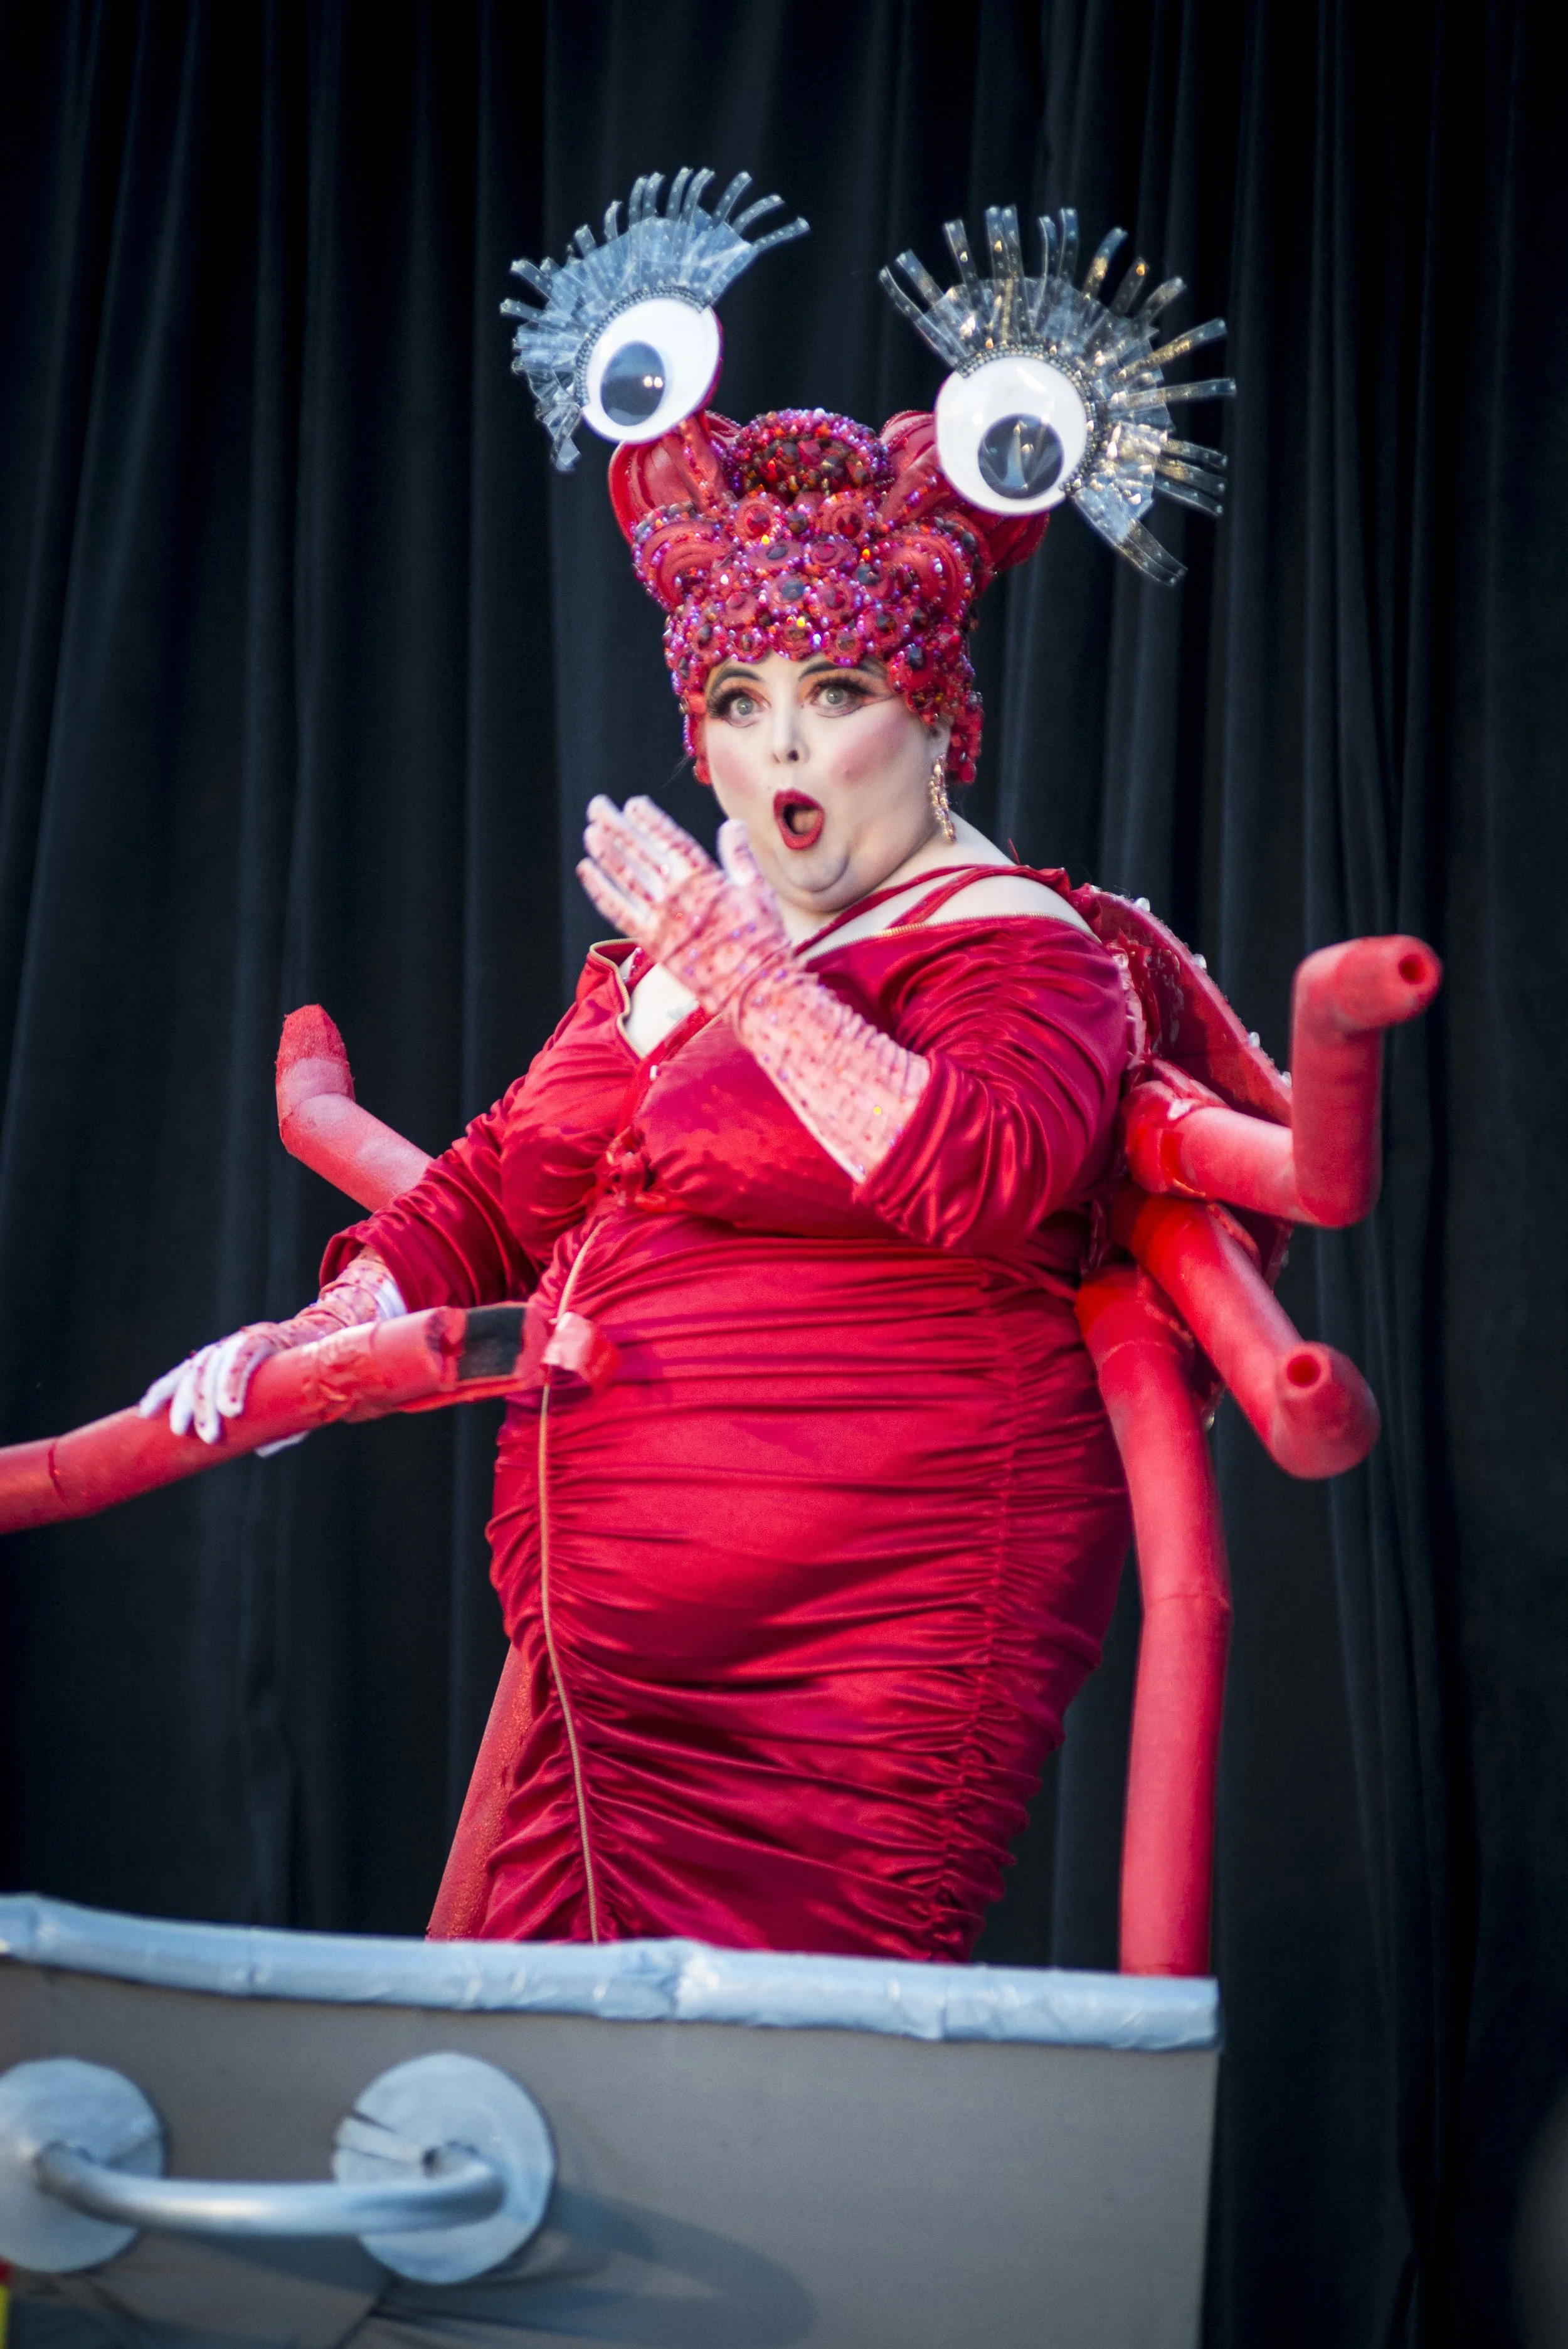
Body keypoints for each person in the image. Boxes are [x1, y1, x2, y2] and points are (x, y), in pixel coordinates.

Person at [140, 406, 1135, 1962]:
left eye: (838, 692)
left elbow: (985, 1172)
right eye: (741, 702)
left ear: (935, 717)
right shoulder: (666, 966)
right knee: (555, 2103)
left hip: (874, 1618)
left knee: (805, 2090)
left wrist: (747, 976)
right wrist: (315, 1332)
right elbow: (487, 1195)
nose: (784, 747)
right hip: (609, 1671)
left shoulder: (1017, 944)